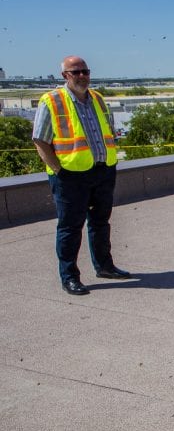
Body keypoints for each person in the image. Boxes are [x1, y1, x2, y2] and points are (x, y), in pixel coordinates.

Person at [32, 55, 131, 295]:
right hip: (70, 175)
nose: (82, 76)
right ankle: (69, 277)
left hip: (102, 170)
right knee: (70, 227)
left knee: (100, 223)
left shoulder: (97, 98)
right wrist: (59, 170)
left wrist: (109, 164)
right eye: (75, 72)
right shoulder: (52, 100)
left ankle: (105, 266)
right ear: (65, 75)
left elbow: (108, 131)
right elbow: (40, 140)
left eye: (85, 71)